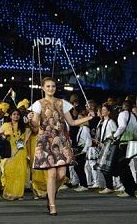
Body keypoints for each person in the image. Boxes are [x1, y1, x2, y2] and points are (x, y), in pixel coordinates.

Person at [29, 77, 93, 215]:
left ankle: (50, 194)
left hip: (62, 140)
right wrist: (30, 121)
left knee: (62, 175)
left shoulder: (62, 103)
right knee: (52, 174)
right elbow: (35, 126)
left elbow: (72, 122)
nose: (51, 88)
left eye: (53, 86)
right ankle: (52, 205)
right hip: (46, 140)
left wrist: (88, 117)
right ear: (43, 88)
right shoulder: (38, 104)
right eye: (48, 86)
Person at [0, 108, 28, 200]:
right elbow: (0, 136)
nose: (16, 116)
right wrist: (4, 137)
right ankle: (9, 192)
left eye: (17, 115)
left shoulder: (23, 127)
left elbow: (26, 138)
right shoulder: (5, 125)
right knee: (9, 172)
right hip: (10, 151)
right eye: (14, 114)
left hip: (20, 152)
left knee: (20, 172)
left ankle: (20, 194)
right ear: (10, 116)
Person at [112, 100, 137, 197]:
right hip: (132, 143)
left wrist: (114, 136)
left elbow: (122, 126)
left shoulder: (122, 114)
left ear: (123, 106)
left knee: (121, 166)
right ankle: (132, 186)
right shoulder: (134, 116)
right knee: (125, 166)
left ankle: (129, 189)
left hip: (123, 143)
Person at [97, 103, 118, 194]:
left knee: (106, 166)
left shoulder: (111, 122)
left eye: (105, 110)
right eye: (102, 109)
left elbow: (115, 134)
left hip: (109, 147)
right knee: (103, 166)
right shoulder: (103, 122)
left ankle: (110, 186)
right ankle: (108, 185)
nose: (102, 111)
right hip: (103, 146)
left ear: (109, 112)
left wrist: (108, 141)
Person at [73, 111, 92, 192]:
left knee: (79, 167)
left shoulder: (85, 128)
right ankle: (82, 184)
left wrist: (84, 151)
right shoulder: (81, 128)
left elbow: (89, 141)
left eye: (80, 118)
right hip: (79, 149)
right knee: (77, 167)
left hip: (82, 150)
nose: (78, 120)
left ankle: (84, 185)